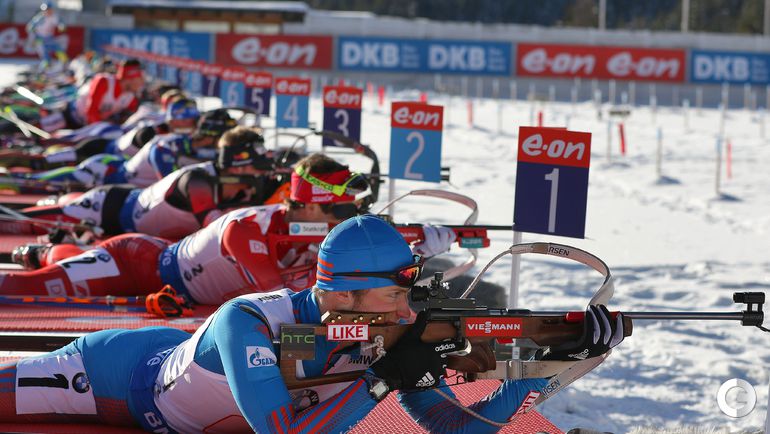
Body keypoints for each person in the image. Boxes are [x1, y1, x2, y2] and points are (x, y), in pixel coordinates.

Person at [0, 214, 625, 432]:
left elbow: (450, 428)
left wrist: (533, 371)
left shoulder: (384, 332)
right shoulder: (249, 322)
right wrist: (381, 378)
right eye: (395, 297)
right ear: (349, 296)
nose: (408, 311)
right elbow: (284, 430)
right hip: (113, 378)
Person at [0, 152, 455, 305]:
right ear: (311, 207)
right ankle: (44, 256)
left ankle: (48, 251)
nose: (349, 218)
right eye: (340, 207)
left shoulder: (318, 231)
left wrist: (420, 244)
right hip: (135, 263)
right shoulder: (248, 228)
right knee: (29, 291)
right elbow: (279, 297)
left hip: (167, 279)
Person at [9, 126, 285, 245]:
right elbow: (214, 227)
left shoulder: (244, 183)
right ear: (238, 162)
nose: (261, 170)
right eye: (256, 163)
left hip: (132, 234)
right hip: (105, 209)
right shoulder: (198, 181)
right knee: (18, 221)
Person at [64, 59, 144, 129]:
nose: (141, 83)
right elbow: (91, 112)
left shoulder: (131, 97)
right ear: (130, 78)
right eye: (139, 79)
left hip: (90, 127)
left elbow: (126, 121)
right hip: (70, 116)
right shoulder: (104, 81)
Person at [26, 1, 66, 67]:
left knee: (59, 51)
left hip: (49, 38)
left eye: (49, 10)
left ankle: (64, 65)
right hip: (40, 39)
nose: (48, 12)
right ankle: (44, 69)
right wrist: (32, 29)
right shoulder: (39, 18)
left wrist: (61, 26)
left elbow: (60, 23)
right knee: (45, 56)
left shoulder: (54, 17)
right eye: (46, 10)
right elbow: (30, 27)